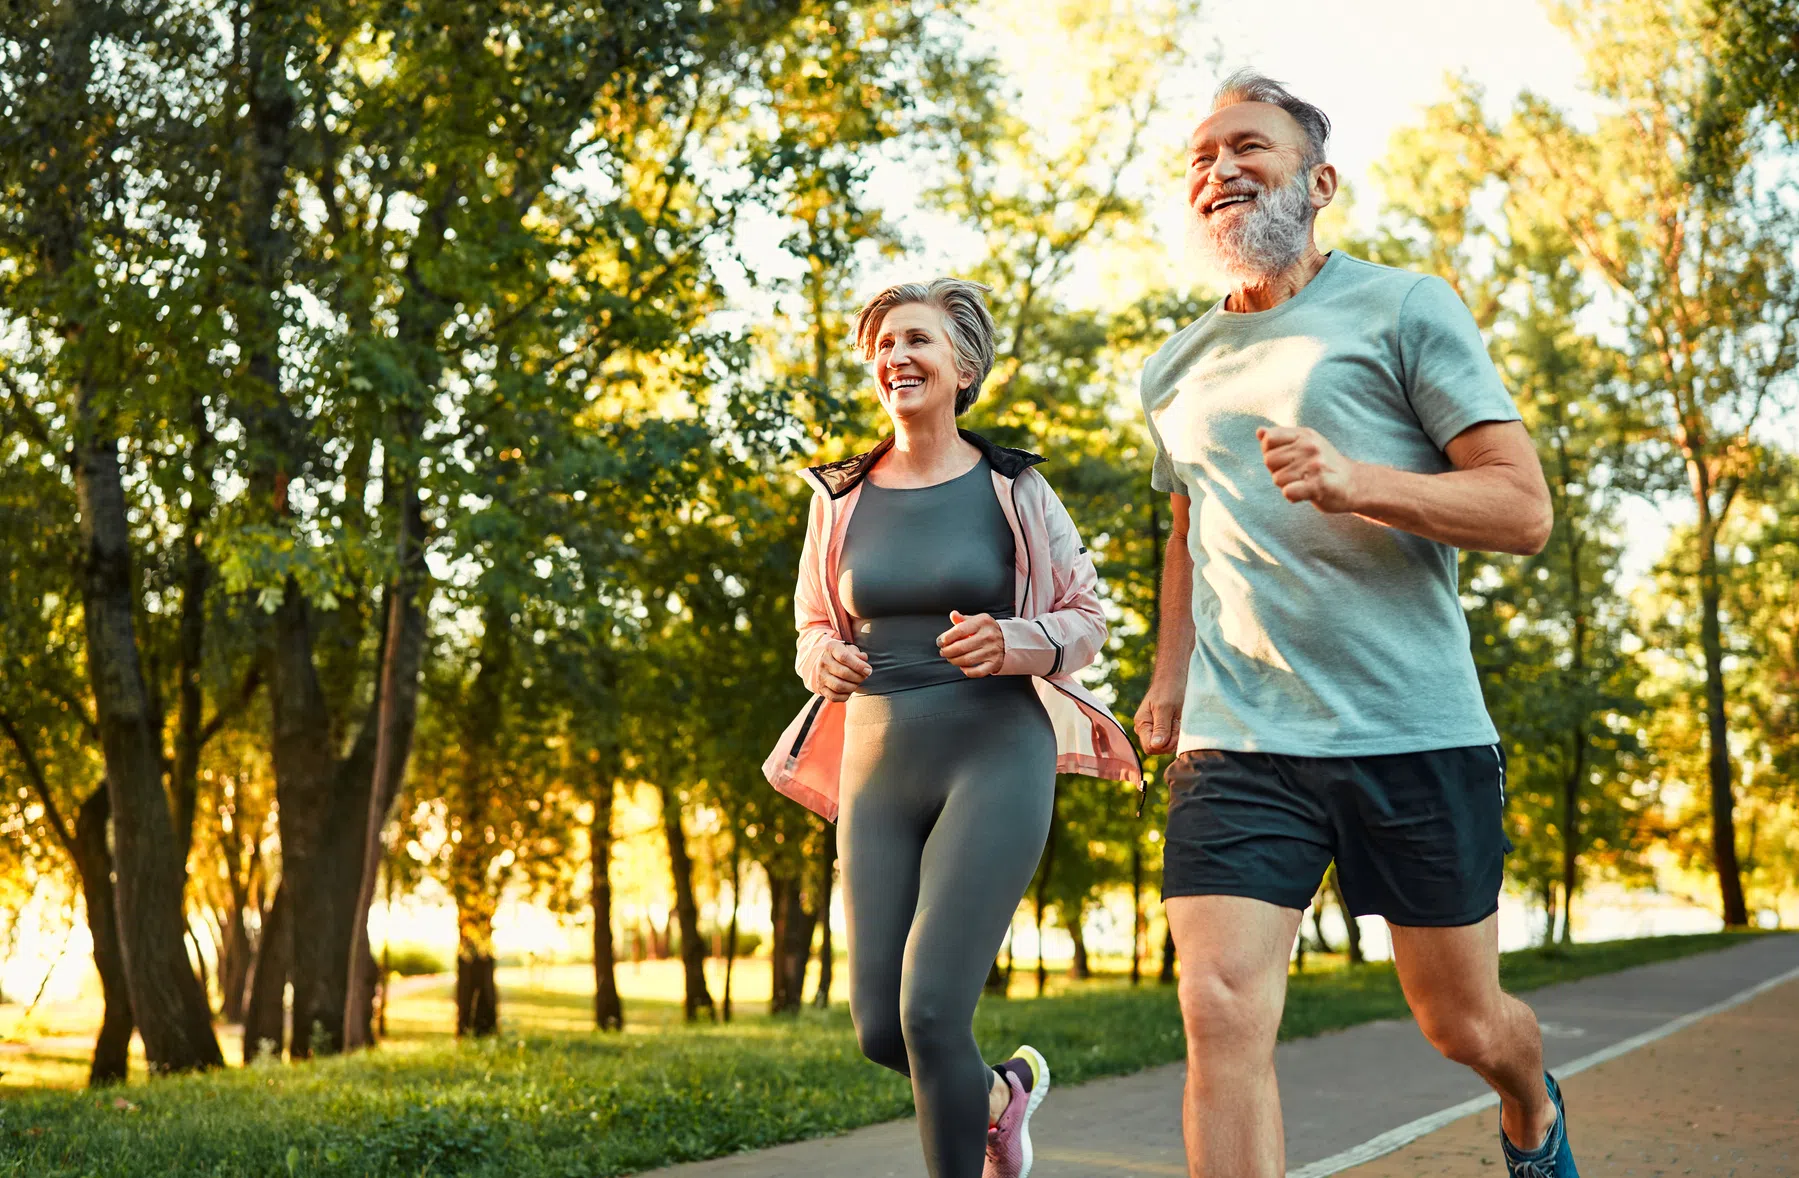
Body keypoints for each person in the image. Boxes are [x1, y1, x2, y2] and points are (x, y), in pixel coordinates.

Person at [1133, 70, 1579, 1178]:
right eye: (1199, 156)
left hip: (1406, 723)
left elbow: (1520, 509)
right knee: (1217, 1007)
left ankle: (1529, 1104)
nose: (1218, 168)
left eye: (1249, 145)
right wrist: (1167, 673)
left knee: (1461, 1024)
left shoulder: (1402, 305)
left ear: (1318, 179)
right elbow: (1190, 526)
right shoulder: (1170, 367)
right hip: (1240, 739)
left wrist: (1359, 481)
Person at [762, 278, 1142, 1178]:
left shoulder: (1014, 486)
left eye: (918, 341)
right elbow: (813, 625)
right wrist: (823, 661)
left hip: (993, 750)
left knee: (931, 1013)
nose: (897, 357)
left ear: (962, 366)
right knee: (879, 1029)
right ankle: (1002, 1097)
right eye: (886, 343)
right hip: (878, 760)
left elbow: (1086, 617)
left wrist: (1016, 639)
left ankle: (980, 1133)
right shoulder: (838, 496)